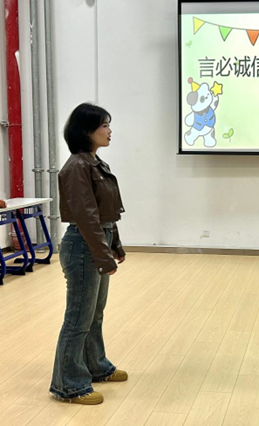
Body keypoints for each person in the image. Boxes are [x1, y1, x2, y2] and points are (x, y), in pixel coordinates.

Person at [50, 103, 128, 405]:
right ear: (86, 131)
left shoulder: (94, 163)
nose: (109, 131)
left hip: (96, 241)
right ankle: (68, 385)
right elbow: (86, 217)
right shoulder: (77, 167)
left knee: (94, 313)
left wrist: (114, 244)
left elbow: (106, 211)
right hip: (83, 245)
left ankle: (96, 366)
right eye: (104, 125)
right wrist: (102, 254)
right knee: (78, 318)